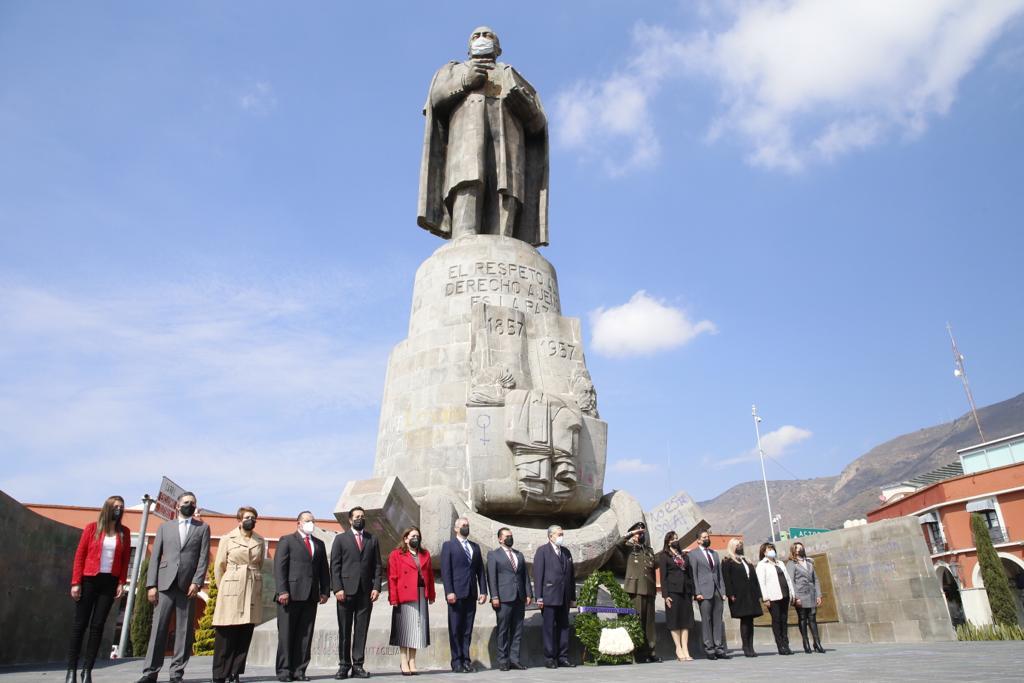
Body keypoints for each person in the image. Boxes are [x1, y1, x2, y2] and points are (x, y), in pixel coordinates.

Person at [417, 26, 549, 246]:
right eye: (475, 36)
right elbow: (435, 99)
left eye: (487, 35)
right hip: (466, 144)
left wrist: (527, 109)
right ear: (468, 48)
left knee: (506, 192)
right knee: (467, 184)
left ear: (498, 48)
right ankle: (464, 242)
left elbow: (538, 124)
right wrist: (464, 82)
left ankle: (505, 243)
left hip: (508, 148)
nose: (481, 39)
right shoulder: (455, 70)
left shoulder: (511, 74)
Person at [138, 492, 211, 683]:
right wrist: (151, 585)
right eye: (186, 502)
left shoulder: (202, 528)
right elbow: (155, 557)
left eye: (193, 503)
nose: (190, 505)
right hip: (164, 584)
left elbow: (203, 558)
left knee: (184, 631)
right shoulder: (165, 527)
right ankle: (150, 672)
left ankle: (176, 672)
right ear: (178, 506)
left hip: (188, 586)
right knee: (158, 629)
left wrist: (197, 582)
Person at [67, 495, 131, 683]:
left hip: (109, 582)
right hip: (88, 580)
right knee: (80, 626)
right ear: (108, 508)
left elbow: (125, 559)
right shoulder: (92, 528)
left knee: (97, 627)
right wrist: (75, 582)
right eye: (115, 506)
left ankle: (87, 671)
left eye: (121, 507)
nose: (118, 509)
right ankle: (71, 670)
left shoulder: (124, 532)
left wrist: (121, 582)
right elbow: (80, 555)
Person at [274, 512, 330, 682]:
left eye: (313, 521)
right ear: (298, 523)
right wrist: (282, 590)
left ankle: (300, 670)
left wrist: (325, 591)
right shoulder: (287, 540)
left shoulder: (319, 544)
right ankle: (284, 671)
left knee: (305, 635)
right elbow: (279, 567)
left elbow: (323, 570)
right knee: (286, 634)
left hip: (311, 596)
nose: (310, 523)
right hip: (289, 595)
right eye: (307, 521)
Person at [211, 506, 265, 683]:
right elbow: (219, 566)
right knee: (226, 633)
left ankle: (235, 672)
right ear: (240, 520)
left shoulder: (260, 540)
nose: (251, 520)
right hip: (232, 585)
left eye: (254, 518)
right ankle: (220, 673)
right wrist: (225, 588)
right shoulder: (227, 538)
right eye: (248, 517)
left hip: (251, 586)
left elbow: (260, 564)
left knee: (244, 632)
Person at [330, 506, 383, 680]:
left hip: (365, 593)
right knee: (344, 630)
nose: (360, 519)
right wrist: (337, 588)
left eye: (363, 516)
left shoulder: (372, 539)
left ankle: (358, 665)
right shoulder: (340, 539)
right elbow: (335, 566)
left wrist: (376, 587)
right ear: (350, 520)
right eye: (357, 516)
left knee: (361, 630)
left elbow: (377, 566)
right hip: (345, 592)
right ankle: (344, 666)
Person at [440, 516, 488, 673]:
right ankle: (457, 661)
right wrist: (449, 591)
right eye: (463, 525)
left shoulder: (475, 547)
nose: (466, 527)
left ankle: (466, 660)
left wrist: (483, 591)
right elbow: (446, 571)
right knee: (455, 628)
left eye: (467, 525)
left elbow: (480, 570)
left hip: (471, 593)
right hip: (456, 594)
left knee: (467, 629)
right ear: (456, 529)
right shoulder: (449, 546)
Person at [387, 527, 436, 675]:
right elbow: (392, 578)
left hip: (420, 594)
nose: (416, 538)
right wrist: (393, 598)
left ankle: (412, 660)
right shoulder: (396, 554)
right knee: (404, 630)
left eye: (418, 536)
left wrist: (431, 595)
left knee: (417, 630)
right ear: (406, 538)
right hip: (405, 595)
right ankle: (403, 661)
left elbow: (430, 576)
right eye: (413, 536)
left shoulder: (425, 554)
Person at [486, 527, 533, 671]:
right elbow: (492, 577)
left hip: (519, 597)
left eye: (511, 536)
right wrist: (494, 596)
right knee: (503, 630)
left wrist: (529, 594)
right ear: (500, 539)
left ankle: (514, 659)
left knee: (517, 630)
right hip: (503, 598)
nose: (510, 538)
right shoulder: (494, 555)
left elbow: (524, 576)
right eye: (507, 536)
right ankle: (503, 661)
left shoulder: (519, 555)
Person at [532, 525, 576, 669]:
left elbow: (571, 576)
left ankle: (563, 657)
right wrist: (539, 597)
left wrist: (572, 597)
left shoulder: (566, 552)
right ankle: (550, 658)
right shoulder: (542, 551)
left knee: (564, 627)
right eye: (559, 534)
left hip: (564, 597)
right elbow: (538, 575)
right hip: (549, 596)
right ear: (551, 536)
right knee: (549, 628)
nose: (561, 536)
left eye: (562, 534)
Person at [622, 521, 659, 663]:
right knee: (637, 622)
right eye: (638, 533)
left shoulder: (649, 550)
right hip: (635, 590)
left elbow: (653, 566)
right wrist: (631, 535)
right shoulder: (628, 548)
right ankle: (638, 654)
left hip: (649, 589)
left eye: (642, 533)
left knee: (649, 623)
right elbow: (618, 544)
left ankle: (651, 652)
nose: (641, 535)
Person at [655, 531, 694, 662]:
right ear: (668, 541)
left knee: (685, 621)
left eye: (677, 538)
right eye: (673, 539)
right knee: (675, 621)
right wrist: (665, 595)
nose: (675, 540)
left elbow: (690, 574)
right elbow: (663, 576)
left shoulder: (684, 555)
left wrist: (692, 591)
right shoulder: (664, 556)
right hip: (673, 592)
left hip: (686, 592)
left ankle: (685, 648)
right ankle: (678, 648)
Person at [687, 530, 727, 660]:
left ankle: (719, 648)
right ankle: (709, 649)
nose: (707, 538)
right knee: (706, 620)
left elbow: (719, 574)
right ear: (698, 540)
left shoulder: (714, 553)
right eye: (704, 537)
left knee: (717, 620)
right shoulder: (693, 554)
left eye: (708, 536)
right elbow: (693, 574)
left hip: (717, 591)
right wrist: (697, 592)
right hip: (703, 592)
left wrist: (723, 592)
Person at [721, 538, 762, 658]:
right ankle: (746, 646)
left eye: (741, 545)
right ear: (732, 546)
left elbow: (754, 578)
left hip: (751, 594)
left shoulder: (746, 560)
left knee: (750, 620)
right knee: (744, 620)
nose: (740, 546)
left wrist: (758, 593)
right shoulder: (727, 560)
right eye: (737, 545)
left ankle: (751, 646)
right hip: (739, 594)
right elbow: (727, 579)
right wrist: (731, 594)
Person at [755, 542, 795, 656]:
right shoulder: (762, 565)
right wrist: (765, 598)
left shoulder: (780, 563)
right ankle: (780, 645)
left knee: (784, 620)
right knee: (776, 620)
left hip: (785, 595)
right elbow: (761, 582)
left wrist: (792, 593)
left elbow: (787, 579)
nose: (771, 551)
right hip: (773, 597)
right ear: (764, 552)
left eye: (772, 549)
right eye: (769, 549)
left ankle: (786, 644)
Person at [787, 542, 826, 654]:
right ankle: (806, 642)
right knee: (803, 619)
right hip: (801, 594)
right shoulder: (792, 564)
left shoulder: (809, 563)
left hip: (812, 594)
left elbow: (816, 579)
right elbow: (791, 581)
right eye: (797, 548)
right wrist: (796, 597)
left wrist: (818, 595)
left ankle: (817, 642)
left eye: (801, 547)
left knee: (813, 619)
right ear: (793, 550)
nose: (799, 549)